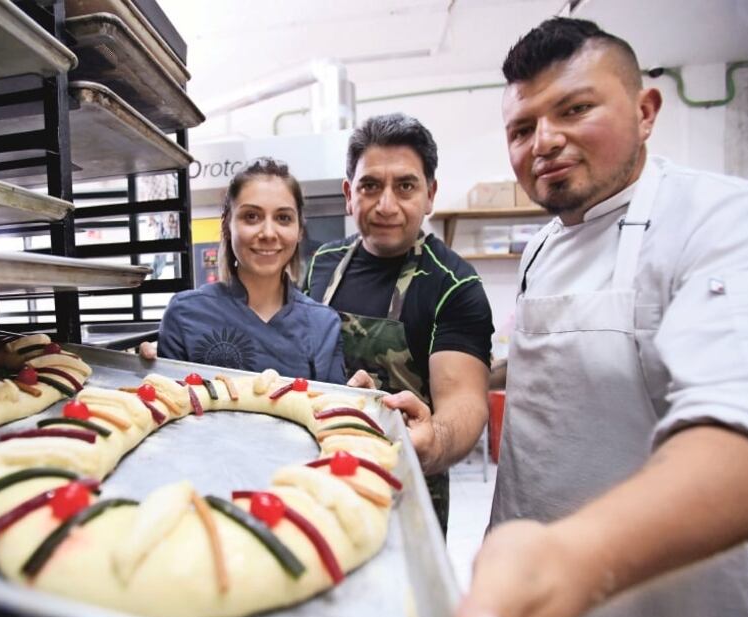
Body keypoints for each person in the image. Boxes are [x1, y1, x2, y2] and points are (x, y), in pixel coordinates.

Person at [454, 18, 748, 617]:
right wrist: (467, 386)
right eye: (522, 128)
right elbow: (559, 367)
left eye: (574, 109)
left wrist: (571, 560)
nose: (545, 141)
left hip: (659, 607)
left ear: (645, 109)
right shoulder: (543, 245)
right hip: (522, 576)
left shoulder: (729, 219)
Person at [304, 113, 494, 533]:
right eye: (370, 186)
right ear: (349, 195)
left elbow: (465, 401)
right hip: (320, 468)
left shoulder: (453, 283)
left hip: (405, 484)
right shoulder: (321, 263)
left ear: (430, 194)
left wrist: (434, 441)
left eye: (405, 186)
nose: (386, 205)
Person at [150, 157, 345, 384]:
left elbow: (332, 413)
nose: (268, 233)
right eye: (251, 216)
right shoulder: (185, 314)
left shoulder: (323, 324)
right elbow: (170, 407)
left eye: (283, 218)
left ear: (299, 230)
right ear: (227, 226)